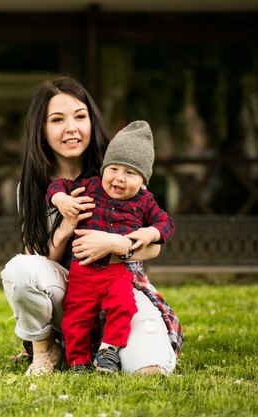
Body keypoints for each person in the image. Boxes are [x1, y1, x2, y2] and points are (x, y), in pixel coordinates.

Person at [0, 75, 183, 377]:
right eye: (57, 120)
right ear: (42, 131)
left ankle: (111, 345)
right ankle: (46, 348)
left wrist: (118, 245)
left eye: (80, 116)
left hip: (119, 285)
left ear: (92, 122)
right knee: (20, 270)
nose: (71, 128)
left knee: (149, 369)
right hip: (70, 293)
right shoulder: (33, 188)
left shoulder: (115, 173)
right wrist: (66, 226)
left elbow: (154, 248)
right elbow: (34, 261)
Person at [46, 120, 174, 373]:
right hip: (82, 272)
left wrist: (149, 232)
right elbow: (58, 185)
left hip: (117, 272)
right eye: (113, 168)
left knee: (124, 305)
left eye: (130, 173)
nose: (119, 178)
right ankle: (79, 361)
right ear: (104, 168)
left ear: (143, 181)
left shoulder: (145, 202)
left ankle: (108, 350)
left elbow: (165, 223)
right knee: (76, 318)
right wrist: (59, 198)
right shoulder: (91, 186)